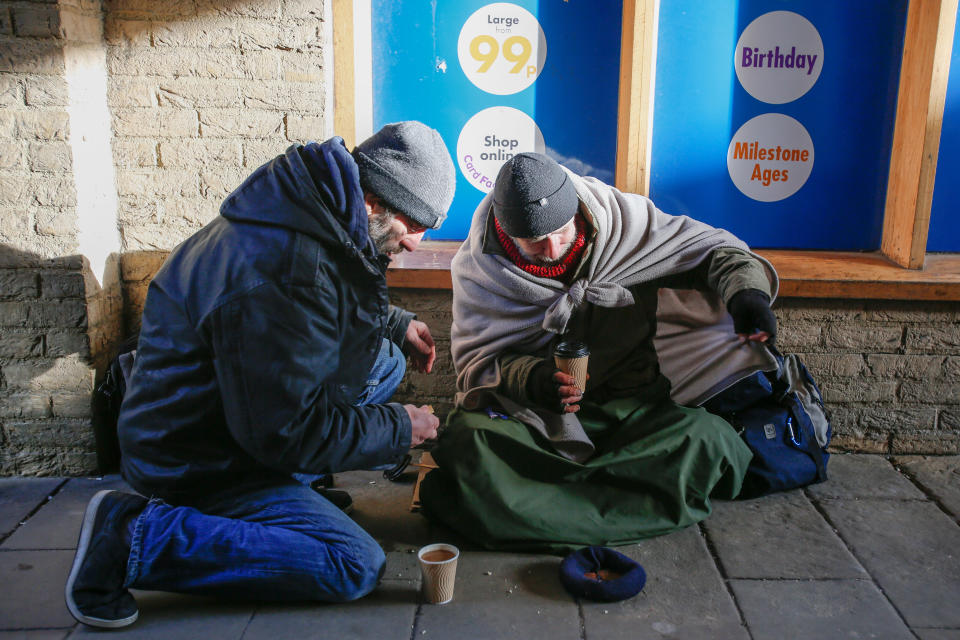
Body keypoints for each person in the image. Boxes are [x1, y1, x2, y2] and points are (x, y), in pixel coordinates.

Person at [64, 121, 455, 628]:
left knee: (385, 362)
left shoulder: (308, 209)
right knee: (352, 564)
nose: (417, 243)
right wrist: (400, 428)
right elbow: (287, 431)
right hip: (195, 460)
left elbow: (337, 287)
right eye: (415, 225)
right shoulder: (284, 274)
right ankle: (131, 537)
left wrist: (397, 322)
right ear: (375, 202)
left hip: (218, 419)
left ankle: (294, 491)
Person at [420, 152, 779, 552]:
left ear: (576, 210)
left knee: (707, 439)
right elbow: (480, 363)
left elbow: (717, 254)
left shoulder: (624, 225)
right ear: (507, 235)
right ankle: (627, 503)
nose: (552, 248)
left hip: (634, 411)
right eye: (534, 242)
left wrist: (747, 295)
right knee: (467, 440)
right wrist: (534, 380)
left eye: (561, 231)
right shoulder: (479, 269)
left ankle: (527, 511)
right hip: (537, 420)